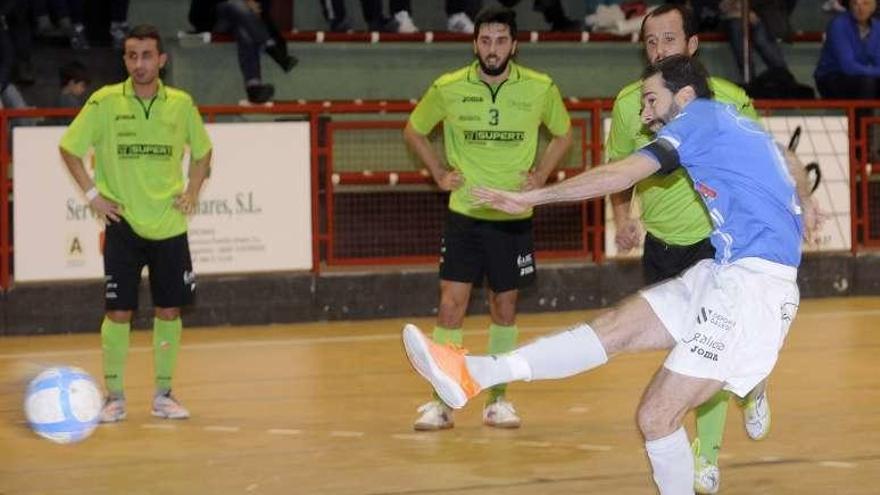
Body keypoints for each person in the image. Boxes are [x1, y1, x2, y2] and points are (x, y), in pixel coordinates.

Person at [404, 54, 820, 495]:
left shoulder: (697, 121)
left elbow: (621, 174)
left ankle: (750, 381)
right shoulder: (728, 119)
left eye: (650, 101)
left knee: (655, 417)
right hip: (722, 271)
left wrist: (534, 198)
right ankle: (475, 374)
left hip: (753, 290)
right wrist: (805, 199)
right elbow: (785, 154)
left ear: (684, 96)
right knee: (615, 327)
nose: (643, 114)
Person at [606, 4, 763, 492]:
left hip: (718, 242)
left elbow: (759, 167)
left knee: (705, 348)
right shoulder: (631, 102)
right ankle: (751, 376)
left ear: (692, 45)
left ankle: (708, 455)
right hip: (663, 244)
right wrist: (623, 218)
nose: (659, 51)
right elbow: (619, 170)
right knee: (684, 349)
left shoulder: (730, 99)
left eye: (669, 40)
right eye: (651, 42)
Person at [403, 5, 572, 431]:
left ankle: (498, 400)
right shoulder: (448, 87)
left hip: (513, 216)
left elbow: (564, 133)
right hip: (465, 214)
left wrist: (541, 177)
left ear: (514, 45)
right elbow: (413, 129)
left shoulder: (540, 87)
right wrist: (439, 172)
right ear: (475, 43)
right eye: (485, 40)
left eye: (500, 40)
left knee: (504, 306)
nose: (492, 49)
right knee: (449, 306)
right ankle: (442, 401)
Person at [58, 24, 213, 423]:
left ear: (161, 59)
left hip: (170, 227)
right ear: (124, 59)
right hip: (123, 227)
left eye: (147, 55)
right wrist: (94, 197)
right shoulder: (104, 102)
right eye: (131, 55)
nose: (139, 63)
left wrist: (193, 190)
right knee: (119, 313)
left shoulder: (181, 104)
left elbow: (202, 152)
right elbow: (70, 149)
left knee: (169, 311)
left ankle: (164, 394)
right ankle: (114, 397)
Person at [188, 0, 298, 104]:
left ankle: (253, 87)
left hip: (243, 21)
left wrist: (253, 8)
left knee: (244, 32)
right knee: (236, 5)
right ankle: (271, 48)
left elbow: (261, 11)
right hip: (212, 17)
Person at [814, 0, 880, 100]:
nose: (860, 8)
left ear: (873, 7)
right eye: (855, 3)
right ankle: (861, 116)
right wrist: (875, 71)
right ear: (850, 6)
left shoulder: (878, 27)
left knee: (868, 80)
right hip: (831, 77)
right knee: (867, 82)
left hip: (864, 75)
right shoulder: (838, 25)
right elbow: (848, 66)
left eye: (865, 3)